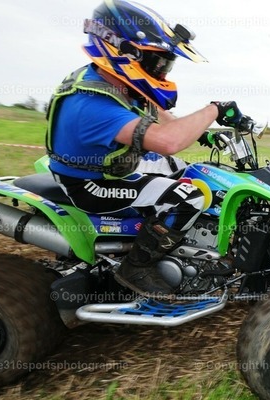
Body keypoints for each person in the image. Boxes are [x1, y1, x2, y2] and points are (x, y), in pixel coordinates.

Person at [46, 0, 243, 296]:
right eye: (156, 62)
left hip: (107, 167)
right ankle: (138, 266)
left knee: (194, 171)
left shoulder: (111, 81)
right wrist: (214, 109)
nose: (161, 71)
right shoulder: (91, 105)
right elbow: (168, 141)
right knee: (190, 197)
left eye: (166, 64)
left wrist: (206, 133)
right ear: (123, 51)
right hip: (91, 185)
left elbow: (159, 116)